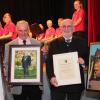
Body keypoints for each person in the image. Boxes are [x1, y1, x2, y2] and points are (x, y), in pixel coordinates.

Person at [46, 19, 89, 100]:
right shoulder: (53, 43)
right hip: (58, 83)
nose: (66, 29)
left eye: (69, 26)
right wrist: (51, 77)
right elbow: (49, 62)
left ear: (73, 28)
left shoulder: (82, 42)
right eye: (64, 27)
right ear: (61, 29)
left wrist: (83, 61)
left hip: (75, 85)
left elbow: (88, 57)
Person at [4, 20, 42, 100]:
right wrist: (9, 78)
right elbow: (6, 64)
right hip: (18, 86)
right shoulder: (9, 45)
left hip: (34, 85)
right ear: (17, 31)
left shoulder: (37, 43)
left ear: (28, 30)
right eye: (20, 30)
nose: (23, 33)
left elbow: (42, 62)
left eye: (25, 30)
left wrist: (44, 55)